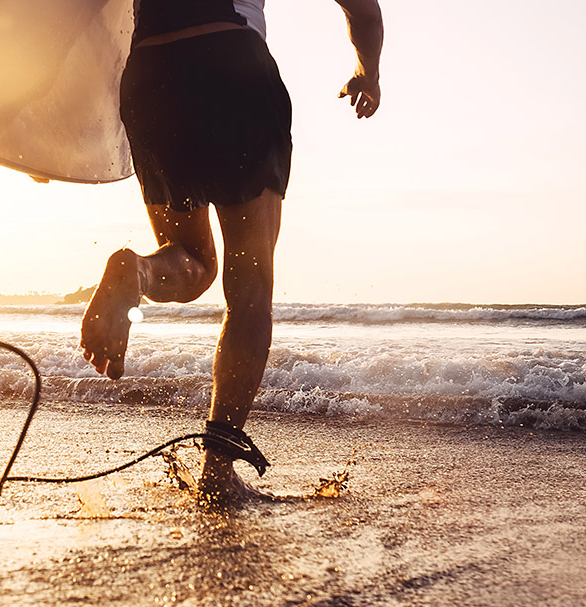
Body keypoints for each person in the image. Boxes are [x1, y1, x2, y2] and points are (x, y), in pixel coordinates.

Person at [81, 0, 383, 503]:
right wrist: (367, 72)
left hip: (153, 73)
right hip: (233, 64)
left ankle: (138, 271)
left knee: (189, 259)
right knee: (249, 288)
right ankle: (217, 470)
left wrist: (48, 134)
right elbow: (363, 9)